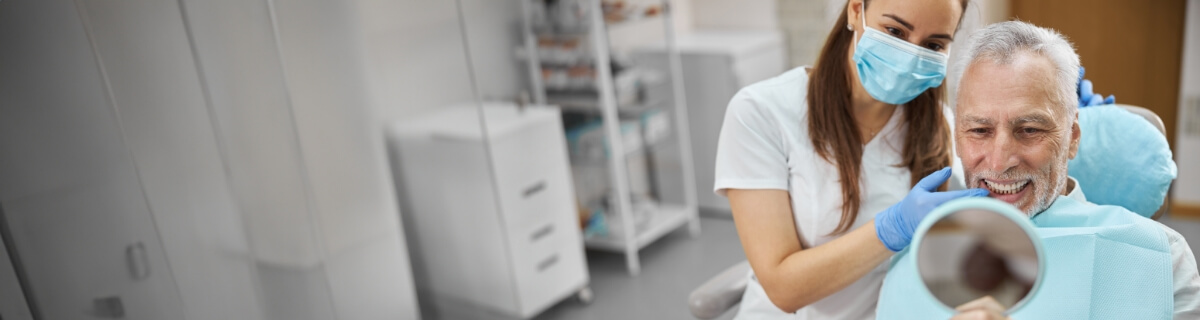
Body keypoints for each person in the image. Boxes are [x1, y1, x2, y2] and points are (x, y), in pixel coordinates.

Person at [877, 20, 1200, 319]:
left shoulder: (1160, 257)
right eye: (979, 131)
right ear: (957, 137)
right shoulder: (914, 258)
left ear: (1072, 137)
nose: (1000, 162)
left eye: (1029, 129)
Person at [713, 0, 985, 318]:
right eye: (895, 31)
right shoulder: (761, 112)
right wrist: (892, 228)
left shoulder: (940, 126)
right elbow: (783, 289)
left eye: (933, 44)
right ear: (856, 11)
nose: (911, 56)